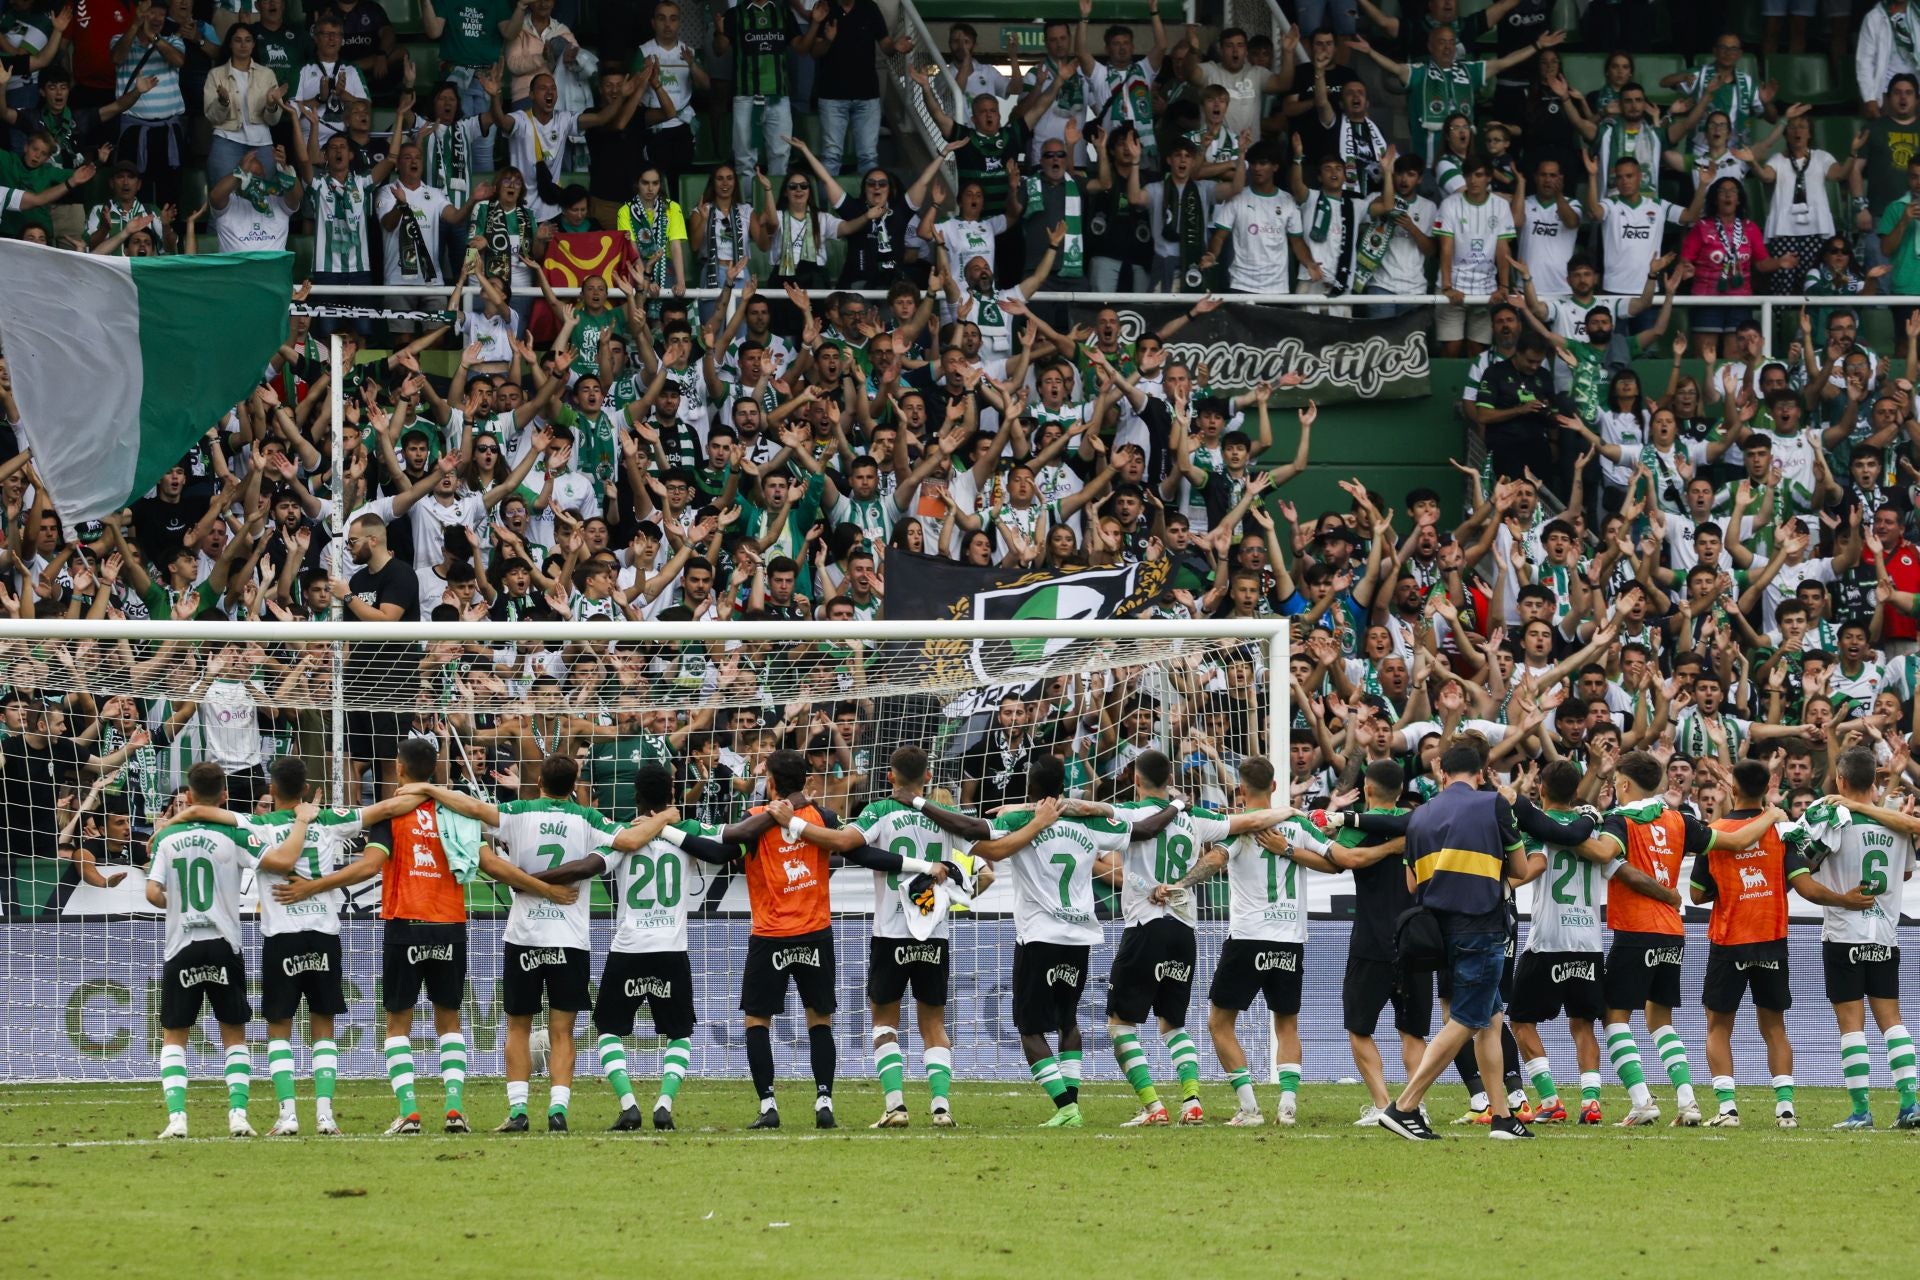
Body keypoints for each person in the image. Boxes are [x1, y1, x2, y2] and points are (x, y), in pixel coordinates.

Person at [174, 756, 415, 1136]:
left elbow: (204, 812)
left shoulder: (256, 823)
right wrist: (429, 791)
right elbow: (387, 807)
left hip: (281, 935)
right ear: (305, 789)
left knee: (279, 1028)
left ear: (271, 790)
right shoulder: (329, 819)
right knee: (324, 1027)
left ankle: (287, 1116)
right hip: (323, 932)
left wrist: (173, 820)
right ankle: (325, 1116)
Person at [272, 738, 496, 1134]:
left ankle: (409, 1111)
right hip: (450, 924)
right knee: (449, 1021)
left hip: (405, 925)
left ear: (399, 768)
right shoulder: (456, 811)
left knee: (398, 1025)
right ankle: (455, 1107)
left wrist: (315, 885)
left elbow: (368, 867)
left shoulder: (392, 815)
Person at [728, 748, 946, 1129]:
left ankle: (768, 1106)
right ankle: (823, 1102)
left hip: (770, 933)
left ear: (771, 783)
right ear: (808, 781)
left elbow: (726, 848)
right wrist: (922, 865)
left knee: (756, 1021)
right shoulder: (825, 819)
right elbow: (861, 854)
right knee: (820, 1021)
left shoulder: (753, 820)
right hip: (815, 932)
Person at [963, 754, 1177, 1127]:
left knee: (1030, 1028)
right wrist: (1176, 804)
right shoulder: (1087, 821)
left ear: (1031, 785)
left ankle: (1066, 1106)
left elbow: (980, 840)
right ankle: (1072, 1104)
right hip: (1079, 935)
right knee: (1067, 1021)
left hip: (1039, 935)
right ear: (1064, 785)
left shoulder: (1018, 821)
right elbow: (1144, 830)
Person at [784, 745, 990, 1128]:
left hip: (890, 933)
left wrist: (795, 824)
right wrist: (954, 897)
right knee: (934, 1025)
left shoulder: (878, 811)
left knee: (884, 1022)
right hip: (935, 934)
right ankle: (941, 1108)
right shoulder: (946, 817)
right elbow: (987, 868)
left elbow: (844, 843)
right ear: (927, 777)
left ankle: (896, 1107)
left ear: (890, 776)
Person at [1592, 750, 1783, 1127]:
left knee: (1614, 1018)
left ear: (1625, 784)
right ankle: (1688, 1102)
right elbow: (1739, 841)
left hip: (1635, 929)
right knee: (1660, 1020)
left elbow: (1604, 854)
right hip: (1673, 932)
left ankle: (1642, 1100)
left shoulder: (1619, 821)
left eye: (1615, 782)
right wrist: (1772, 815)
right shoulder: (1680, 820)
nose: (1615, 787)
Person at [1105, 749, 1286, 1126]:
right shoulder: (1196, 819)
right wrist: (1292, 812)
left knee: (1120, 1023)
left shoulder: (1130, 814)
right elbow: (1251, 820)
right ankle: (1192, 1102)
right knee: (1172, 1023)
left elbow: (1087, 813)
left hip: (1145, 925)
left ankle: (1154, 1106)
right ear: (1169, 777)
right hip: (1185, 931)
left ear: (1136, 780)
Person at [1364, 744, 1533, 1141]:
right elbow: (1522, 869)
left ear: (1443, 774)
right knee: (1469, 1020)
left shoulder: (1420, 815)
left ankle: (1503, 1117)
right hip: (1482, 926)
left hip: (1438, 934)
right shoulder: (1493, 805)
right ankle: (1404, 1107)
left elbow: (1411, 883)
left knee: (1489, 1021)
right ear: (1481, 773)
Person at [1174, 756, 1336, 1126]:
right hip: (1290, 939)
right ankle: (1288, 1105)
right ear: (1276, 787)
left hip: (1248, 937)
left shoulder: (1239, 828)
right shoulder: (1296, 824)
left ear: (1241, 790)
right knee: (1287, 1023)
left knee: (1219, 1022)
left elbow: (1214, 861)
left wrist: (1181, 885)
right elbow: (1335, 861)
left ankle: (1249, 1108)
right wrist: (1291, 850)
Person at [149, 761, 295, 1139]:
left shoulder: (167, 837)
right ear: (225, 796)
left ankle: (177, 1118)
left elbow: (152, 894)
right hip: (224, 943)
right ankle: (238, 1116)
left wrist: (175, 901)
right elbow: (277, 862)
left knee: (174, 1034)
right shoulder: (235, 833)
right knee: (234, 1033)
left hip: (181, 944)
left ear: (190, 796)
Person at [1792, 747, 1920, 1129]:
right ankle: (1910, 1103)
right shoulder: (1898, 824)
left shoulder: (1833, 820)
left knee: (1851, 1024)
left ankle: (1861, 1111)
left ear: (1841, 781)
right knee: (1893, 1021)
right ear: (1875, 781)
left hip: (1844, 932)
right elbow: (1905, 875)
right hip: (1883, 935)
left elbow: (1803, 862)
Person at [1687, 758, 1804, 1128]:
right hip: (1771, 937)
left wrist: (1731, 884)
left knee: (1718, 1026)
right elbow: (1796, 878)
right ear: (1768, 788)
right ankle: (1785, 1110)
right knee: (1775, 1027)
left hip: (1730, 939)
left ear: (1732, 789)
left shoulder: (1716, 831)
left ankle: (1727, 1109)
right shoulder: (1782, 831)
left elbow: (1696, 894)